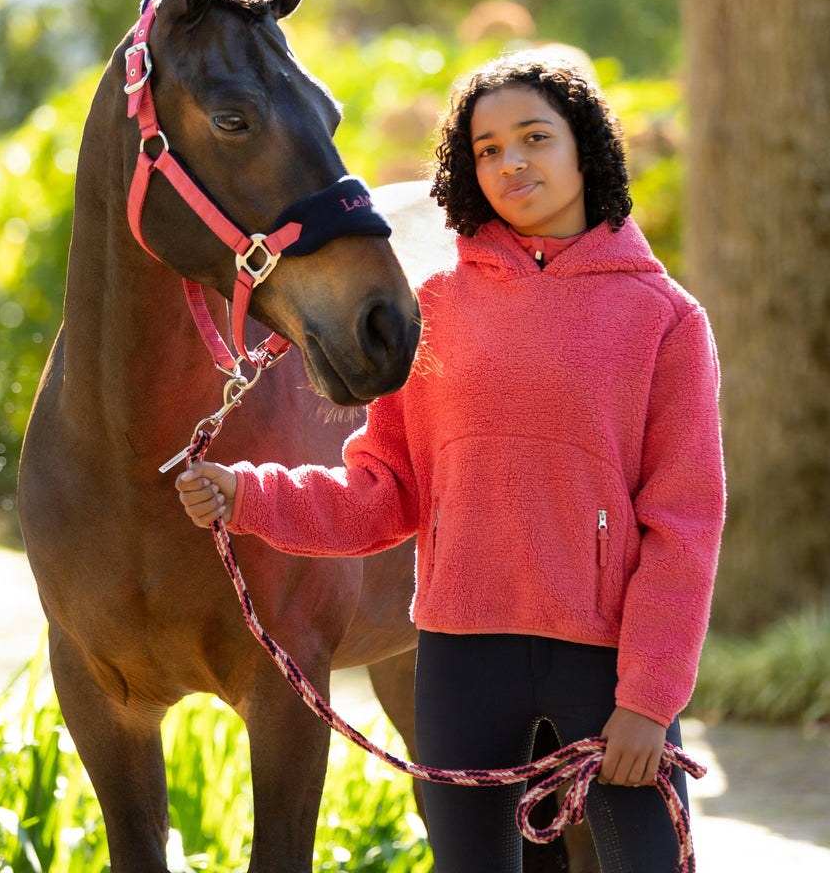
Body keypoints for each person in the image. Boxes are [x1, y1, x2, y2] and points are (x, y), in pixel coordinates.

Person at [178, 51, 725, 873]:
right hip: (462, 663)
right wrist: (246, 495)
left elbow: (684, 525)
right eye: (488, 148)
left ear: (586, 146)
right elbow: (381, 494)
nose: (512, 163)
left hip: (606, 669)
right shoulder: (434, 308)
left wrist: (648, 702)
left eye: (535, 138)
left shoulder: (666, 320)